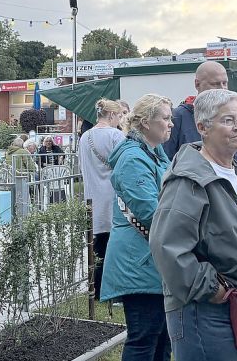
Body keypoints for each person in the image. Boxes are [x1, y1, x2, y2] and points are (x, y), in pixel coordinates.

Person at [150, 89, 237, 361]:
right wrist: (211, 288)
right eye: (228, 120)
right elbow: (166, 246)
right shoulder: (188, 180)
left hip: (233, 304)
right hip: (201, 310)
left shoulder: (234, 173)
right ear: (202, 127)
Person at [100, 94, 174, 361]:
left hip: (149, 260)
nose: (171, 124)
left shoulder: (152, 152)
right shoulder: (133, 158)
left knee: (162, 338)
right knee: (144, 338)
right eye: (165, 118)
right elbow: (152, 213)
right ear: (145, 122)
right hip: (139, 263)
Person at [161, 61, 237, 172]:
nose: (222, 89)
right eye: (215, 84)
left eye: (225, 83)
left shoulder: (235, 117)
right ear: (197, 84)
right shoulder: (177, 117)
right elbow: (165, 162)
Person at [81, 99, 128, 300]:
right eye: (118, 116)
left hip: (92, 196)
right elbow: (125, 165)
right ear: (111, 116)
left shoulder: (85, 137)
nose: (119, 120)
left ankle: (96, 288)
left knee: (97, 247)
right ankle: (111, 290)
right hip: (112, 197)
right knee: (113, 247)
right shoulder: (115, 135)